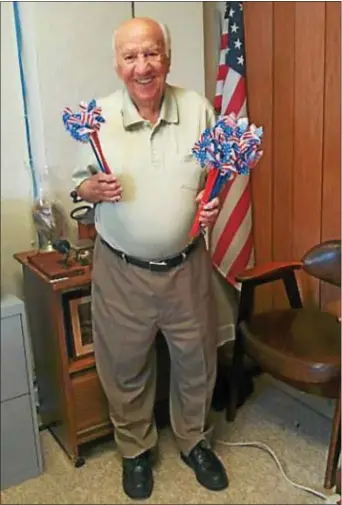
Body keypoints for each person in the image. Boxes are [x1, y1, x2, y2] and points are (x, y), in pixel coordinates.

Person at [72, 17, 228, 500]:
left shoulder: (198, 109)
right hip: (121, 272)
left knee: (197, 363)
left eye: (152, 54)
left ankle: (193, 440)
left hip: (187, 268)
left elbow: (214, 178)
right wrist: (88, 188)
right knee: (124, 367)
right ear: (117, 65)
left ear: (167, 57)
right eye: (131, 56)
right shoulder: (95, 117)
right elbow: (77, 186)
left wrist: (213, 202)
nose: (143, 66)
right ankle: (136, 450)